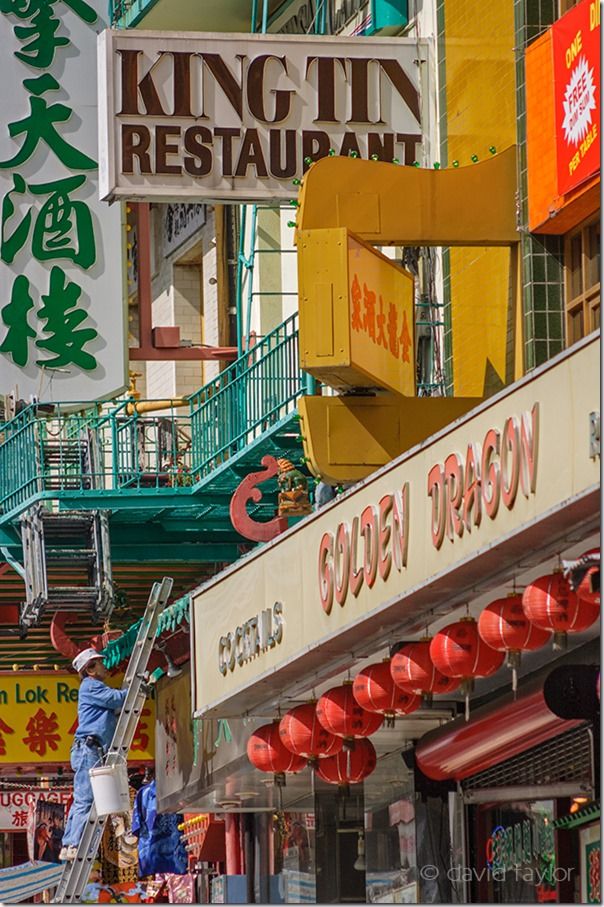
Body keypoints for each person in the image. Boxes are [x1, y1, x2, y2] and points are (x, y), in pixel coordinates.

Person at [59, 648, 129, 862]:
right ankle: (73, 843)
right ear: (90, 669)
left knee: (84, 799)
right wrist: (140, 687)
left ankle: (70, 843)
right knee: (86, 799)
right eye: (99, 662)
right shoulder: (90, 686)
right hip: (89, 748)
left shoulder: (92, 686)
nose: (104, 665)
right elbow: (115, 699)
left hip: (91, 748)